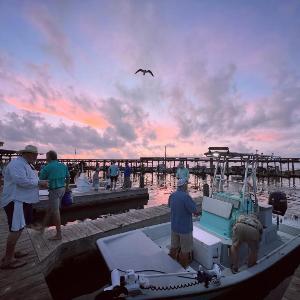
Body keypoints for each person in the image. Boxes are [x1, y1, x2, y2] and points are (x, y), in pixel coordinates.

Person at [0, 145, 48, 269]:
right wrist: (38, 183)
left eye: (37, 154)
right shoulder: (17, 164)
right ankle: (8, 260)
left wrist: (38, 184)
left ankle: (12, 253)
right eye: (34, 154)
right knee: (15, 229)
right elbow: (20, 181)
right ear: (26, 154)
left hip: (22, 201)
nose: (36, 157)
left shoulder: (26, 164)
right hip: (16, 201)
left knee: (20, 227)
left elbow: (28, 180)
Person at [39, 150, 70, 240]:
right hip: (62, 190)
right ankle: (42, 228)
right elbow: (68, 177)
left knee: (56, 212)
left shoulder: (47, 167)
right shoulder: (63, 165)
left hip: (54, 191)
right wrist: (67, 187)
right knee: (49, 210)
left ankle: (59, 234)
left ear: (49, 157)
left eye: (46, 156)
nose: (45, 158)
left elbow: (41, 181)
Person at [168, 179, 198, 268]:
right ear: (184, 185)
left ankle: (169, 265)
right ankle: (183, 269)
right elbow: (194, 210)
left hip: (174, 227)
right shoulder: (186, 197)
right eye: (186, 185)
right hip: (185, 229)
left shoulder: (172, 195)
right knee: (185, 251)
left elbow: (169, 205)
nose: (187, 186)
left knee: (173, 248)